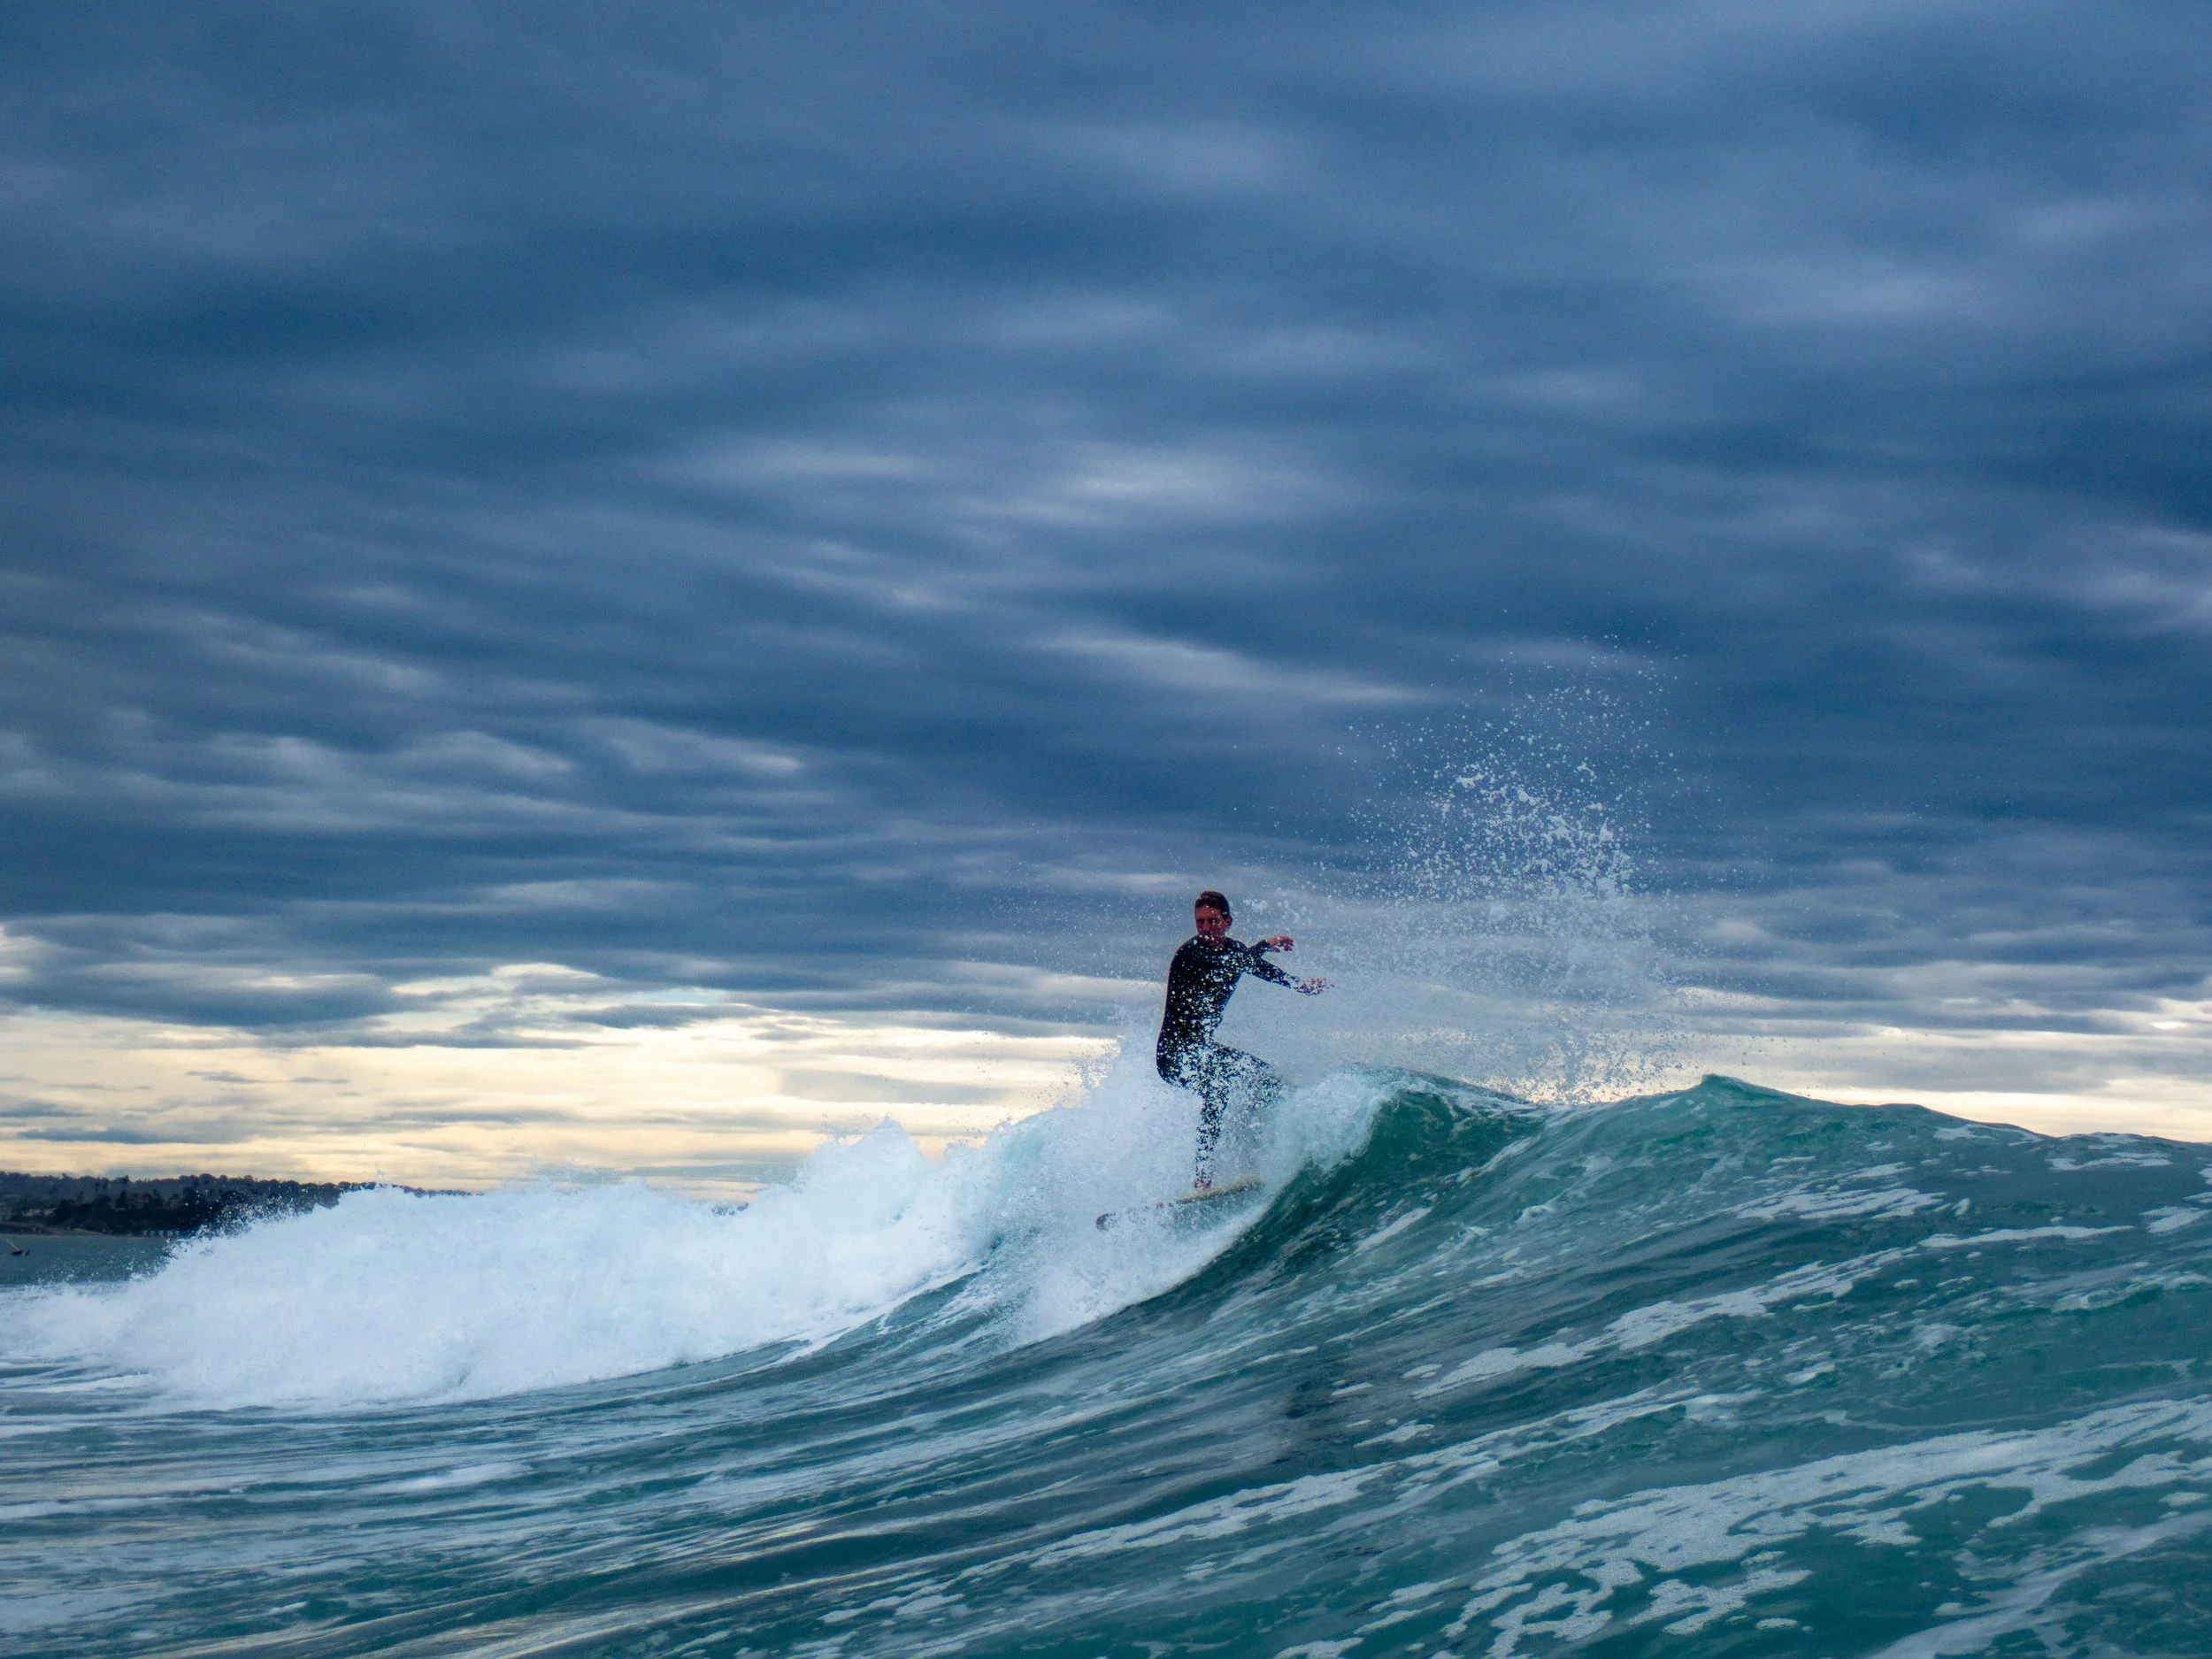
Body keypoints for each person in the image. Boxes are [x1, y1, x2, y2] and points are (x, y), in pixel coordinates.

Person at [1156, 890, 1327, 1189]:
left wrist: (1299, 985)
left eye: (1212, 921)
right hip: (1174, 1056)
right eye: (1200, 922)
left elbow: (1250, 965)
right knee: (1218, 1088)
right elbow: (1226, 967)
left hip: (1201, 1051)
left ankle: (1257, 1156)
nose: (1205, 928)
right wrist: (1262, 945)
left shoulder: (1234, 952)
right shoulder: (1190, 954)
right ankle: (1202, 1180)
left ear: (1227, 921)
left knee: (1264, 1078)